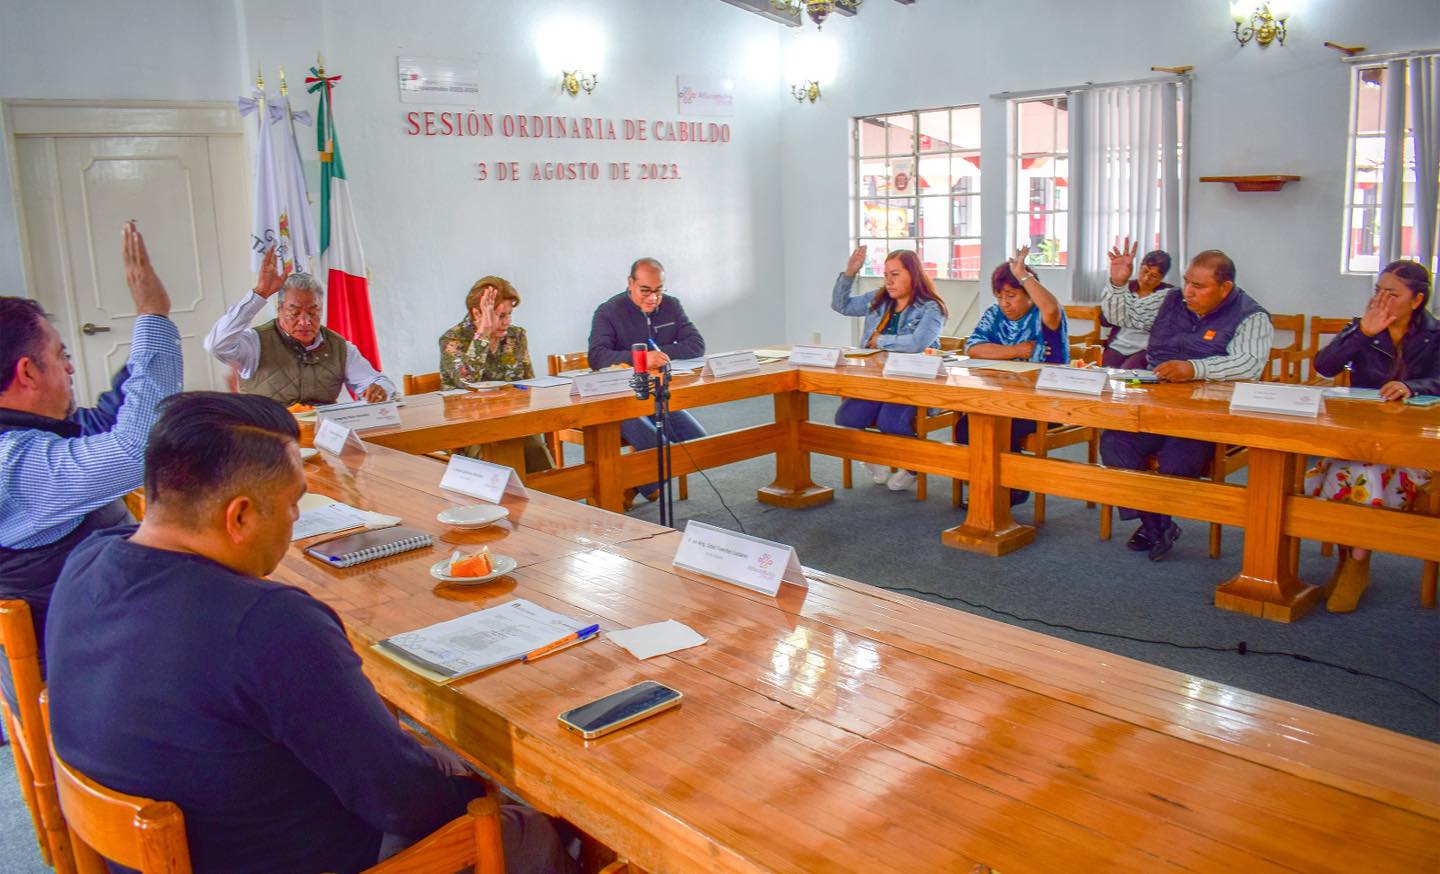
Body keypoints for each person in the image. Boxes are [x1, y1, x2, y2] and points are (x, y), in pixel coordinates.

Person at [46, 392, 576, 874]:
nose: (297, 518)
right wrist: (478, 788)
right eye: (294, 503)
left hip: (146, 854)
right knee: (521, 828)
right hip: (297, 859)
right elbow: (405, 802)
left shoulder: (84, 563)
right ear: (240, 517)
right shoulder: (266, 622)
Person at [0, 221, 181, 706]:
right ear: (27, 372)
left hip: (104, 640)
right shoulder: (12, 464)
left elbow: (105, 421)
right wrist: (153, 314)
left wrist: (150, 346)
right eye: (61, 356)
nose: (71, 366)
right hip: (90, 687)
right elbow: (136, 448)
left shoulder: (29, 430)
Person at [1099, 250, 1273, 560]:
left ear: (1225, 288)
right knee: (1115, 442)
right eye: (1186, 282)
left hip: (1206, 415)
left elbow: (1249, 364)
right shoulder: (1172, 300)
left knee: (1179, 458)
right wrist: (1117, 282)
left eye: (1199, 286)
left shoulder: (1252, 316)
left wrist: (1195, 368)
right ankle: (1157, 524)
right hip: (1154, 405)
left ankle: (1155, 524)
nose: (1188, 291)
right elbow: (1124, 316)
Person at [1304, 260, 1439, 612]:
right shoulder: (1363, 328)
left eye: (1392, 294)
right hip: (1361, 437)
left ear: (1417, 300)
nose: (1381, 299)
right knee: (1328, 472)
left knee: (1368, 476)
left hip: (1411, 445)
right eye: (1378, 290)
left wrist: (1411, 386)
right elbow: (1324, 365)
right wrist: (1363, 332)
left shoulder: (1435, 335)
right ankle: (1348, 557)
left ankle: (1358, 560)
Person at [204, 247, 395, 406]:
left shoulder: (339, 347)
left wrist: (378, 390)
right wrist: (260, 293)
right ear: (279, 310)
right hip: (269, 439)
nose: (305, 321)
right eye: (294, 312)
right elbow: (217, 345)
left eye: (313, 312)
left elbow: (376, 381)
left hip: (323, 436)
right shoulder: (256, 343)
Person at [954, 248, 1069, 506]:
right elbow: (973, 349)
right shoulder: (995, 315)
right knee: (966, 427)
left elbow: (1051, 308)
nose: (1005, 303)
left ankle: (1010, 488)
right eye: (999, 297)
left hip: (1045, 403)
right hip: (1001, 398)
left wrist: (1023, 275)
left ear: (1029, 295)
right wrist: (1016, 351)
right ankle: (986, 484)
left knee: (1000, 428)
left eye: (1012, 295)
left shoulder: (1043, 315)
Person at [830, 246, 948, 492]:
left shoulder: (931, 308)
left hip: (913, 383)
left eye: (895, 274)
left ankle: (912, 467)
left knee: (890, 421)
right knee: (846, 418)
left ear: (913, 275)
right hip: (876, 380)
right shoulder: (879, 299)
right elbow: (841, 306)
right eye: (886, 274)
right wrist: (850, 272)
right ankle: (874, 457)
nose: (889, 281)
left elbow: (918, 342)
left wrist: (880, 340)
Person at [588, 257, 706, 500]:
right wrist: (642, 359)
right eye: (645, 291)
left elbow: (696, 345)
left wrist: (658, 355)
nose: (653, 298)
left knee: (698, 441)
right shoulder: (608, 311)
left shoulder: (671, 306)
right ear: (630, 283)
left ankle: (634, 483)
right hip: (619, 398)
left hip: (657, 394)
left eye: (658, 291)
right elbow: (597, 357)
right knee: (656, 444)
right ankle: (631, 486)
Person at [438, 276, 554, 473]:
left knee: (537, 455)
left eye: (510, 315)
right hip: (472, 429)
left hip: (514, 421)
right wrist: (483, 333)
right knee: (497, 466)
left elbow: (528, 383)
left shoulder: (516, 336)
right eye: (500, 316)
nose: (507, 322)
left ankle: (547, 501)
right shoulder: (452, 339)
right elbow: (468, 380)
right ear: (476, 313)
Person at [1100, 239, 1175, 368]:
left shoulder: (1168, 295)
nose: (1146, 278)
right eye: (1144, 271)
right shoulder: (1125, 286)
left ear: (1162, 278)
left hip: (1145, 350)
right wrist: (1117, 284)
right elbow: (1105, 321)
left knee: (1127, 375)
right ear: (1139, 267)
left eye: (1153, 276)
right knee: (1104, 373)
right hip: (1119, 345)